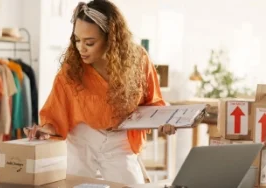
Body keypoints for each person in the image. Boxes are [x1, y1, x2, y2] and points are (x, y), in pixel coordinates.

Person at [24, 0, 177, 185]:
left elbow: (153, 103)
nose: (81, 48)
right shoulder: (71, 69)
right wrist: (44, 130)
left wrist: (164, 121)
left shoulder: (139, 59)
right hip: (82, 141)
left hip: (120, 140)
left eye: (89, 42)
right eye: (77, 40)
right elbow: (55, 115)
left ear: (111, 38)